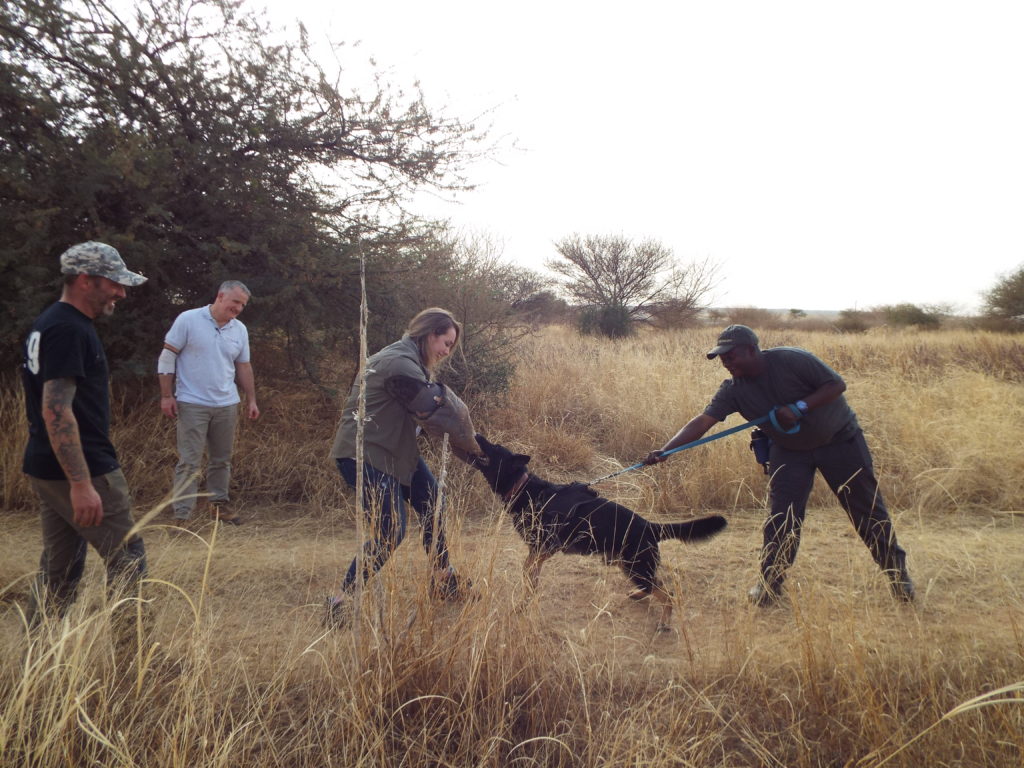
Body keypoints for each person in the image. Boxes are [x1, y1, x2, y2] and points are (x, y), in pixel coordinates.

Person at [645, 324, 914, 607]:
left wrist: (800, 407)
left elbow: (836, 385)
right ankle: (770, 584)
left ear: (751, 349)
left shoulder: (791, 360)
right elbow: (703, 421)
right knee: (781, 518)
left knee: (867, 511)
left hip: (841, 442)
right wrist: (665, 451)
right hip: (789, 451)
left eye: (730, 356)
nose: (725, 363)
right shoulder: (733, 391)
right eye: (721, 358)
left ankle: (897, 575)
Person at [21, 241, 149, 625]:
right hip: (82, 470)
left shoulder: (52, 323)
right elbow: (56, 408)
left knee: (60, 571)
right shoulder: (67, 329)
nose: (121, 292)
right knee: (129, 562)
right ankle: (136, 667)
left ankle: (37, 666)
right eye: (114, 283)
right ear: (84, 280)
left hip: (47, 466)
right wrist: (81, 484)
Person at [326, 308, 471, 625]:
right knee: (390, 531)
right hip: (365, 454)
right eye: (445, 343)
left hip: (394, 450)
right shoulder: (400, 363)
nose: (446, 352)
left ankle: (442, 577)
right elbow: (434, 410)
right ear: (430, 334)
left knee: (433, 501)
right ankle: (340, 600)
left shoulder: (411, 360)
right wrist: (474, 446)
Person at [157, 280, 259, 525]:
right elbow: (167, 356)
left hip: (227, 405)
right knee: (189, 462)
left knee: (221, 460)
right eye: (235, 302)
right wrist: (167, 395)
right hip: (192, 403)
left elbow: (243, 366)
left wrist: (251, 399)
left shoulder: (239, 329)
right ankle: (183, 515)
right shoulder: (188, 319)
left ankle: (219, 506)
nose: (238, 308)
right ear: (220, 296)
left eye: (242, 305)